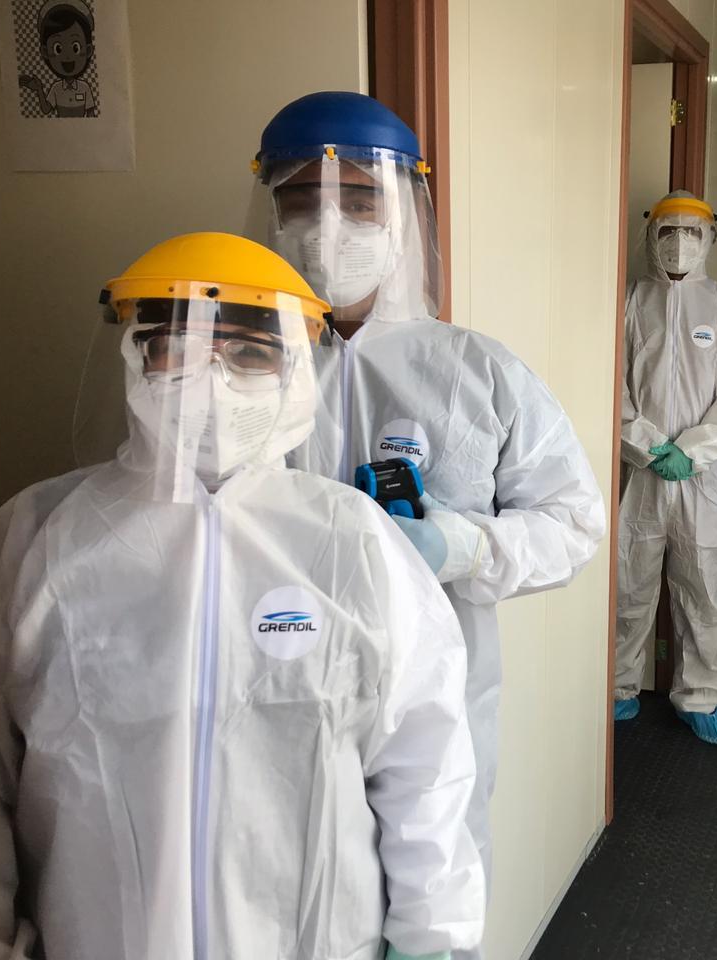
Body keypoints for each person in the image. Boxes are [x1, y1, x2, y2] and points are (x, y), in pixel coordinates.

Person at [0, 232, 485, 960]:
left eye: (252, 354)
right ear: (134, 356)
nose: (212, 379)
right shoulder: (40, 538)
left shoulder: (352, 540)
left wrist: (430, 937)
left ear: (297, 372)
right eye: (177, 348)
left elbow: (426, 759)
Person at [249, 91, 605, 954]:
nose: (328, 227)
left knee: (435, 898)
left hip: (440, 696)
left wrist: (460, 546)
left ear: (405, 211)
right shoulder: (242, 365)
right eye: (301, 200)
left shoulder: (474, 370)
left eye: (358, 199)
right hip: (274, 687)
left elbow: (573, 520)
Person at [614, 190, 717, 746]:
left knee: (705, 587)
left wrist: (695, 449)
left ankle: (702, 694)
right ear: (649, 236)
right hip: (641, 471)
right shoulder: (628, 302)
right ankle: (618, 684)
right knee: (628, 582)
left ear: (710, 238)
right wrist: (645, 444)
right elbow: (608, 381)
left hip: (707, 477)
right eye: (667, 230)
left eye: (691, 231)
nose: (679, 242)